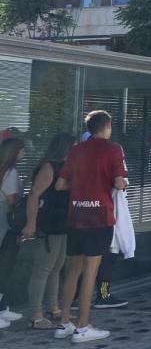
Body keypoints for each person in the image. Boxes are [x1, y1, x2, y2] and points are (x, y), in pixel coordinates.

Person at [54, 111, 128, 343]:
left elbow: (60, 184)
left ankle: (64, 322)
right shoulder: (113, 149)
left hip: (76, 215)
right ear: (107, 126)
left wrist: (81, 187)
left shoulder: (76, 150)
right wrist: (117, 184)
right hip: (99, 216)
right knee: (90, 272)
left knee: (73, 270)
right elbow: (119, 182)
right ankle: (83, 327)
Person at [20, 134, 74, 329]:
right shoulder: (49, 167)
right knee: (43, 269)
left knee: (56, 267)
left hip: (62, 224)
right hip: (49, 224)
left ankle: (53, 307)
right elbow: (34, 195)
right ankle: (35, 314)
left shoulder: (66, 167)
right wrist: (31, 222)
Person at [0, 137, 25, 329]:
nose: (24, 153)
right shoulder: (10, 172)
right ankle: (104, 292)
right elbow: (11, 201)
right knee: (5, 263)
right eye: (22, 150)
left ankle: (2, 306)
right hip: (6, 221)